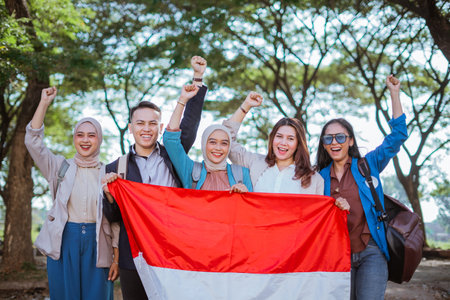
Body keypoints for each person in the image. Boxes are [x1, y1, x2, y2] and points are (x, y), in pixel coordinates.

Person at [102, 56, 208, 299]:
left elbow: (189, 124)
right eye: (140, 123)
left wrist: (198, 79)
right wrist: (109, 197)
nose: (146, 128)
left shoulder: (173, 154)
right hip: (134, 256)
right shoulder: (116, 168)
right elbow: (114, 217)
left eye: (152, 123)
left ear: (160, 128)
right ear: (130, 127)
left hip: (174, 250)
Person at [315, 75, 407, 299]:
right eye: (328, 139)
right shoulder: (317, 177)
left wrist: (394, 94)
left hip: (372, 252)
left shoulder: (368, 164)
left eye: (340, 137)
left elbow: (398, 136)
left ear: (351, 141)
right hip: (336, 255)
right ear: (323, 144)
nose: (334, 143)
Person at [24, 87, 119, 300]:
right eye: (80, 135)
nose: (85, 140)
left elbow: (115, 220)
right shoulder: (59, 167)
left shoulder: (109, 173)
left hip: (99, 244)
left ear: (99, 139)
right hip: (64, 240)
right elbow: (33, 142)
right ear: (74, 138)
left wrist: (116, 259)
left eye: (91, 135)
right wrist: (44, 103)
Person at [222, 92, 327, 196]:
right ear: (272, 138)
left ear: (298, 143)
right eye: (279, 136)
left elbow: (317, 211)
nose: (283, 143)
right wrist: (246, 106)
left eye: (290, 139)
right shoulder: (254, 163)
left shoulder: (314, 179)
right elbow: (225, 140)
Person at [163, 86, 253, 193]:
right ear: (204, 144)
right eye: (212, 142)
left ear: (229, 147)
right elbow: (170, 140)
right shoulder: (190, 170)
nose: (218, 148)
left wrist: (246, 195)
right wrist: (182, 100)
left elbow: (250, 208)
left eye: (224, 143)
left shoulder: (242, 174)